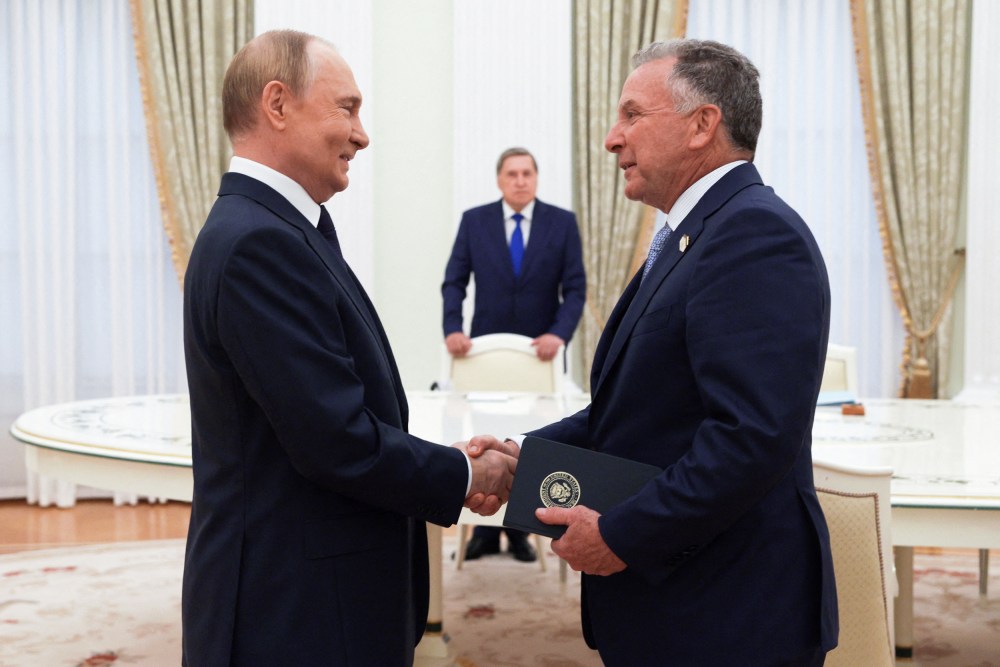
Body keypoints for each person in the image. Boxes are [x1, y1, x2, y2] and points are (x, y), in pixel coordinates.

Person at [475, 39, 838, 665]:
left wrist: (620, 535)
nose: (613, 139)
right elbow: (638, 409)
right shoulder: (693, 235)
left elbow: (750, 437)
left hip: (729, 613)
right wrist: (525, 459)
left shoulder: (754, 234)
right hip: (683, 606)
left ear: (703, 125)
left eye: (632, 115)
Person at [181, 30, 515, 666]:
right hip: (294, 615)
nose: (362, 134)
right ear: (277, 105)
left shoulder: (279, 229)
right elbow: (335, 441)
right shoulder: (259, 244)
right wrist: (468, 473)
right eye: (347, 108)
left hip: (312, 602)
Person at [441, 147, 586, 563]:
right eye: (512, 174)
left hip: (538, 358)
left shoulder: (562, 223)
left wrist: (559, 334)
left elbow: (575, 288)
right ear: (500, 180)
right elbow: (454, 281)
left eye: (527, 173)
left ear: (536, 179)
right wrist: (453, 328)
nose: (520, 180)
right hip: (483, 355)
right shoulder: (475, 221)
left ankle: (520, 529)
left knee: (529, 440)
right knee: (486, 439)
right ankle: (483, 534)